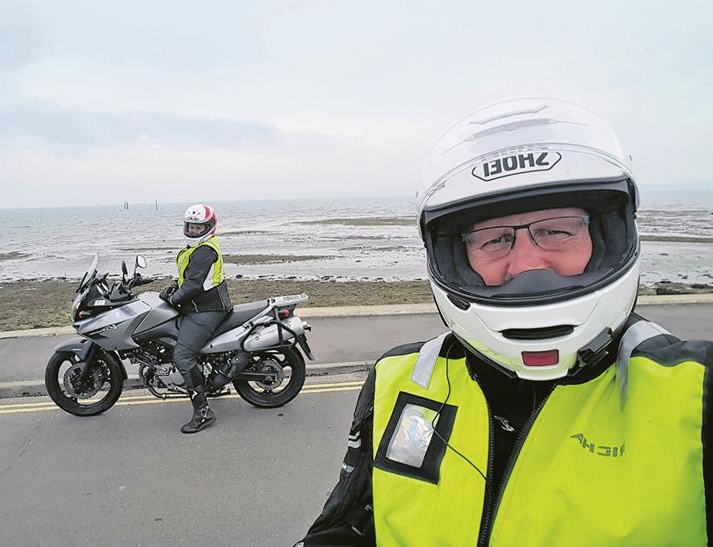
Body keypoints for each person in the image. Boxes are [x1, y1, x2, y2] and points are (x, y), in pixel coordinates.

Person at [298, 98, 711, 545]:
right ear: (458, 258)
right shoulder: (399, 379)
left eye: (556, 230)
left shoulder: (692, 393)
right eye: (494, 240)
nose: (527, 265)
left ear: (606, 237)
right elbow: (346, 530)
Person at [160, 203, 232, 433]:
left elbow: (194, 284)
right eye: (190, 227)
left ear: (208, 228)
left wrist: (174, 299)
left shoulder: (204, 250)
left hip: (206, 310)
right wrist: (173, 289)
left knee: (182, 356)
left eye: (197, 228)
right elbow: (187, 278)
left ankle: (203, 412)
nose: (192, 231)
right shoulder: (198, 248)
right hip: (200, 306)